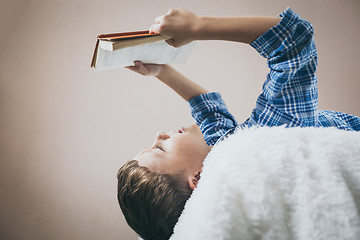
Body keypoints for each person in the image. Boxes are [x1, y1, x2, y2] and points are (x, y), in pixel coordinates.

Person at [117, 8, 360, 240]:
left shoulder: (223, 154)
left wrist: (162, 71)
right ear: (197, 179)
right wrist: (199, 27)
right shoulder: (267, 145)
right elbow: (294, 42)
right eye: (160, 149)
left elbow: (211, 115)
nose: (159, 134)